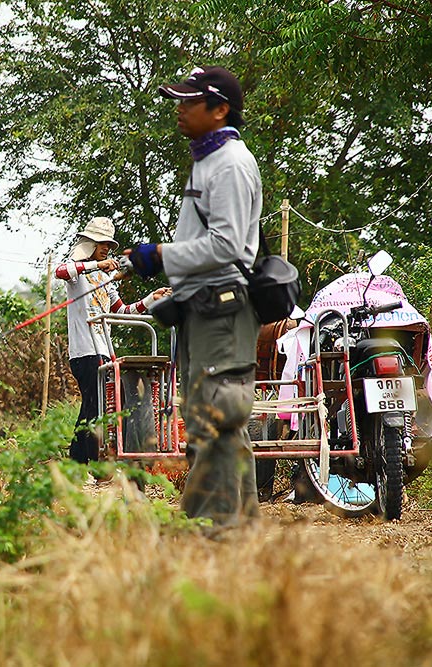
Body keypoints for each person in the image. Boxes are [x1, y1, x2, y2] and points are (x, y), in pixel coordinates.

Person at [125, 66, 263, 529]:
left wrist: (162, 254)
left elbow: (228, 247)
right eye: (178, 101)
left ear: (220, 109)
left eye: (189, 102)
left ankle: (208, 533)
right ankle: (237, 534)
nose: (179, 110)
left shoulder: (231, 165)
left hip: (222, 309)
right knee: (223, 425)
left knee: (209, 421)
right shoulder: (208, 160)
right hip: (204, 309)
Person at [55, 217, 169, 464]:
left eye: (108, 243)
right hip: (85, 351)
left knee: (99, 405)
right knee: (94, 407)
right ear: (90, 244)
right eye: (101, 243)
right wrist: (98, 266)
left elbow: (122, 310)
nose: (106, 248)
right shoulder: (79, 272)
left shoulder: (106, 278)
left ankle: (78, 462)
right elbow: (61, 271)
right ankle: (89, 464)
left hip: (104, 349)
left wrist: (150, 299)